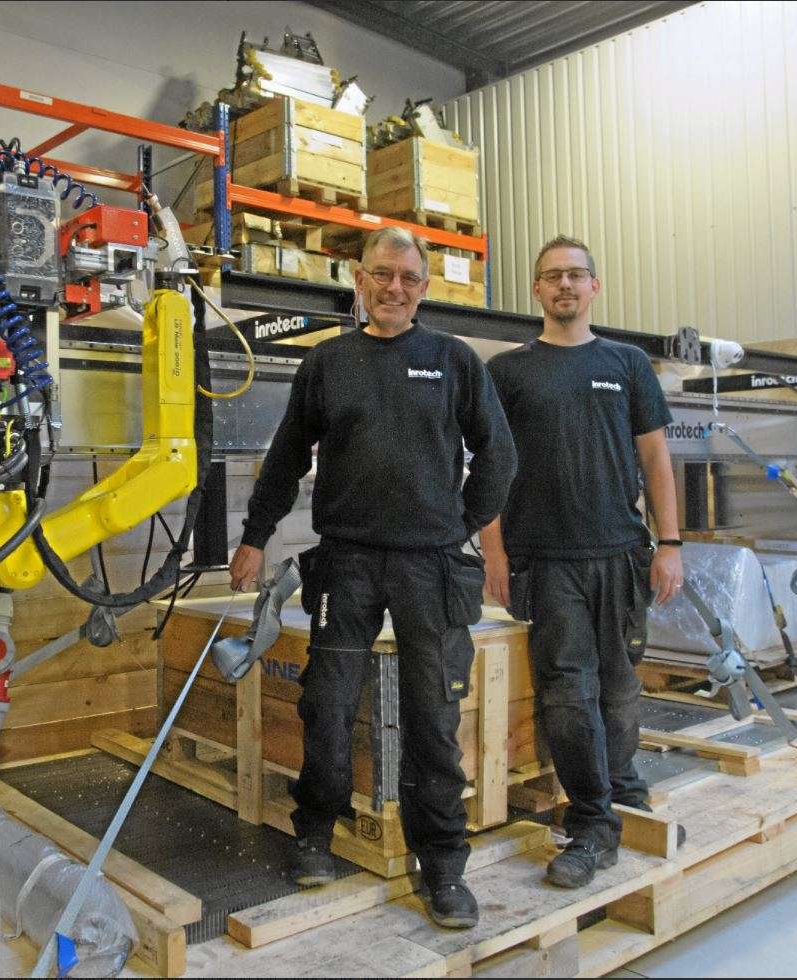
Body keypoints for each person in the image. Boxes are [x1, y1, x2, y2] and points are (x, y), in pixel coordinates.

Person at [228, 226, 516, 928]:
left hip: (429, 567)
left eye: (409, 279)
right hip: (347, 562)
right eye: (382, 275)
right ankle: (314, 838)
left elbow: (498, 456)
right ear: (359, 279)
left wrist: (457, 526)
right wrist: (252, 538)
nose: (394, 289)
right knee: (326, 705)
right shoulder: (328, 363)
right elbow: (286, 457)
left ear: (422, 288)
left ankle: (442, 867)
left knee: (432, 714)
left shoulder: (451, 360)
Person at [482, 235, 684, 889]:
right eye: (551, 277)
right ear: (536, 291)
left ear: (594, 287)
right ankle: (592, 825)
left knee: (621, 684)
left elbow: (655, 459)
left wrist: (670, 544)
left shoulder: (626, 364)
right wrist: (493, 552)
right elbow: (486, 468)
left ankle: (620, 788)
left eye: (575, 275)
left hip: (622, 553)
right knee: (569, 691)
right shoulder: (507, 372)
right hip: (544, 559)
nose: (564, 285)